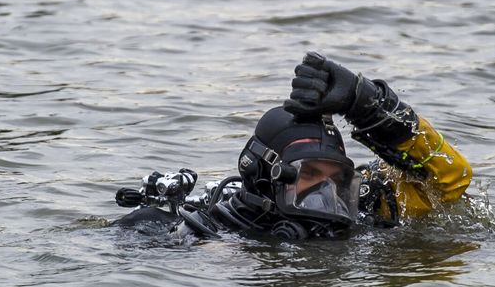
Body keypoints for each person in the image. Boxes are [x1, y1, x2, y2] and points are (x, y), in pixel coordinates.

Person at [114, 52, 472, 240]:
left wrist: (365, 104)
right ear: (266, 178)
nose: (326, 190)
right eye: (310, 175)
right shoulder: (215, 231)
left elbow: (452, 178)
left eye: (337, 178)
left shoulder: (365, 208)